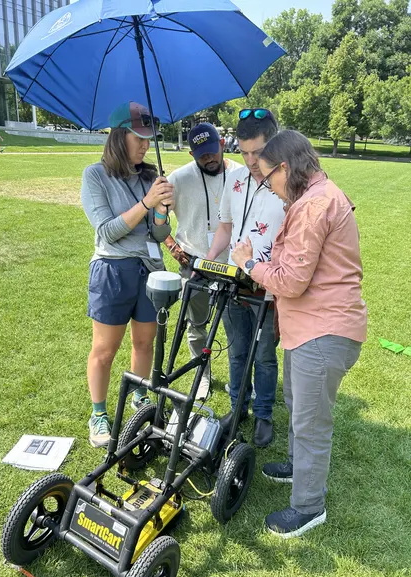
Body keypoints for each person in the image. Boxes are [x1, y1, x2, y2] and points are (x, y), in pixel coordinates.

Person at [232, 130, 367, 538]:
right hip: (310, 330)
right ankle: (297, 467)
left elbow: (290, 281)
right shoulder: (313, 198)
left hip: (323, 332)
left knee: (311, 423)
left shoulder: (314, 205)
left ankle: (308, 507)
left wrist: (249, 262)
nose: (269, 186)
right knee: (297, 402)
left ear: (286, 168)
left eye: (269, 175)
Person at [81, 101, 173, 448]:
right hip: (113, 270)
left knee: (144, 343)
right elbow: (107, 231)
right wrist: (148, 203)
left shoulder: (149, 176)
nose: (146, 146)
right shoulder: (95, 175)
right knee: (104, 350)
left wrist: (162, 213)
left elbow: (159, 236)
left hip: (149, 271)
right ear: (119, 137)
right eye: (140, 139)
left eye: (149, 139)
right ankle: (99, 413)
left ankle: (138, 397)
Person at [207, 109, 285, 448]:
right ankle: (238, 407)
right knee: (238, 350)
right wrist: (209, 261)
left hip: (268, 285)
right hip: (232, 281)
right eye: (244, 151)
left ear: (274, 144)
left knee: (265, 354)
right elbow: (225, 226)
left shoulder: (287, 182)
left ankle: (263, 413)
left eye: (258, 152)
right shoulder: (234, 179)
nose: (251, 160)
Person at [165, 123, 242, 400]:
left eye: (212, 152)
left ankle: (240, 379)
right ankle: (202, 376)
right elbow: (156, 218)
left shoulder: (239, 174)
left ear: (222, 144)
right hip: (194, 263)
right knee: (196, 327)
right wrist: (172, 246)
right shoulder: (178, 178)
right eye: (201, 156)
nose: (209, 159)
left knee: (239, 328)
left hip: (234, 266)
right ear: (191, 154)